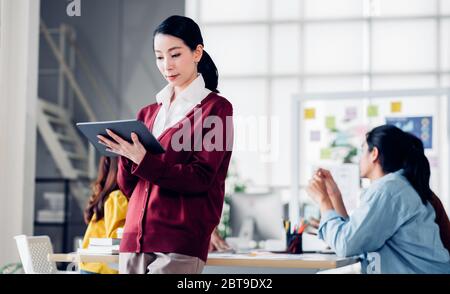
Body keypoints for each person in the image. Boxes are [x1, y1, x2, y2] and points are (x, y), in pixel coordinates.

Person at [97, 15, 233, 274]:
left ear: (197, 53)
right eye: (159, 57)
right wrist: (124, 155)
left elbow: (201, 177)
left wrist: (144, 161)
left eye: (175, 54)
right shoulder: (147, 114)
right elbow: (130, 188)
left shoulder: (216, 109)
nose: (166, 65)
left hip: (180, 241)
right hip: (134, 240)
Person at [306, 124, 450, 273]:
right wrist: (334, 195)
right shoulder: (399, 185)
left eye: (362, 150)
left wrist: (323, 201)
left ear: (374, 153)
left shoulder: (388, 189)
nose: (359, 158)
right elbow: (359, 237)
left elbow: (346, 244)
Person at [79, 156, 128, 274]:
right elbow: (118, 238)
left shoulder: (104, 196)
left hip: (91, 266)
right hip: (102, 269)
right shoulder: (117, 197)